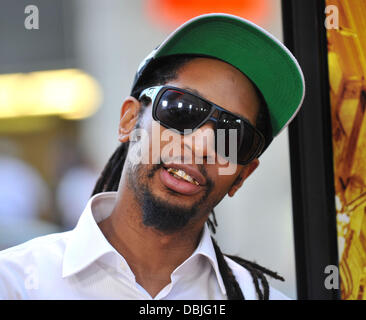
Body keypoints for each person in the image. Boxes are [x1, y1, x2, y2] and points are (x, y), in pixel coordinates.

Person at [0, 13, 304, 300]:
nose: (200, 145)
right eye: (182, 109)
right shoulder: (15, 283)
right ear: (129, 120)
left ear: (242, 175)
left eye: (234, 136)